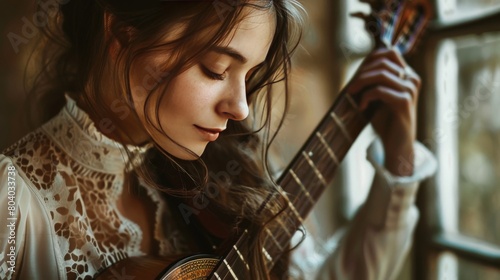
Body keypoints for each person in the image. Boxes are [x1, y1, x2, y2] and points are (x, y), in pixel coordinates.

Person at [0, 0, 437, 279]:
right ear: (121, 37)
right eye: (214, 69)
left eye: (250, 75)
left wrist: (399, 163)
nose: (242, 108)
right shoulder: (13, 205)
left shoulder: (228, 180)